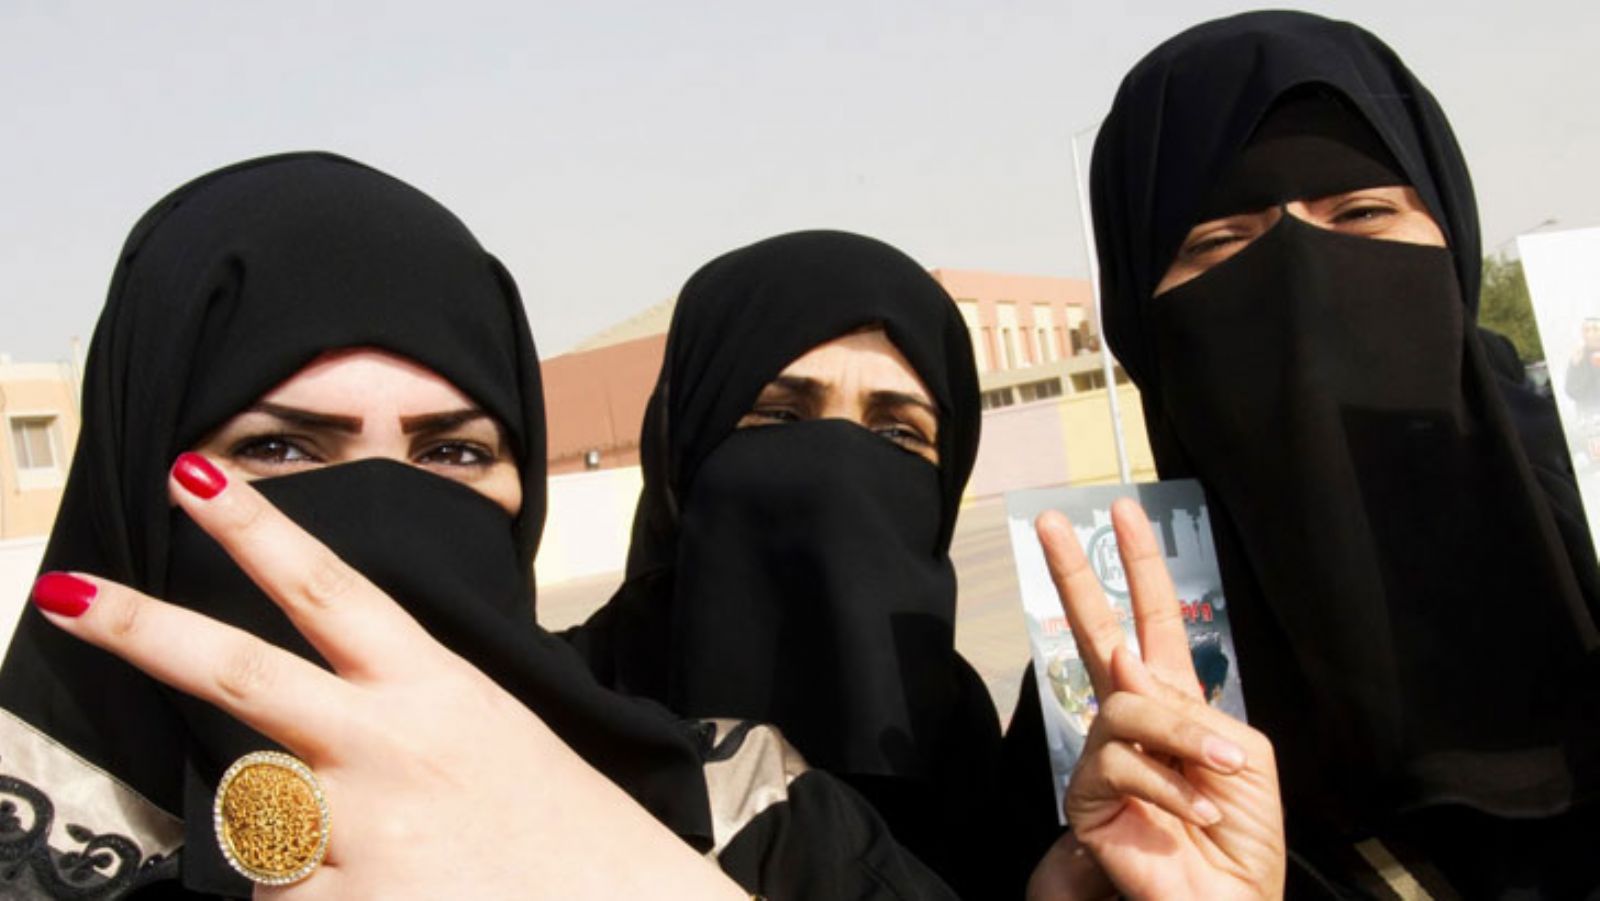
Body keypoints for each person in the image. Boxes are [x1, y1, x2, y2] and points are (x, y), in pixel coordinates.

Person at [0, 153, 900, 899]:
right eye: (278, 446)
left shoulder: (761, 819)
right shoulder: (34, 840)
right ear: (132, 481)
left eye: (453, 452)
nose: (385, 511)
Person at [1076, 10, 1600, 896]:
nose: (1302, 273)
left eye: (1360, 213)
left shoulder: (1587, 536)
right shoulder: (1115, 701)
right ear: (1140, 319)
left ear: (1454, 244)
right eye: (1220, 242)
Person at [564, 230, 1010, 897]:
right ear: (682, 447)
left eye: (897, 432)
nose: (837, 469)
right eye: (779, 415)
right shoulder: (566, 713)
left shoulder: (964, 735)